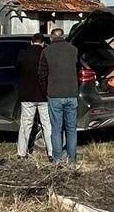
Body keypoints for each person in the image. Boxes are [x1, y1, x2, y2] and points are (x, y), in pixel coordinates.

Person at [39, 26, 81, 165]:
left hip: (54, 94)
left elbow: (42, 74)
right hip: (71, 93)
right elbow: (78, 71)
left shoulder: (46, 51)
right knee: (71, 129)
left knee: (56, 129)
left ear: (51, 38)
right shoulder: (74, 50)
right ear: (64, 36)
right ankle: (72, 160)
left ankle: (57, 160)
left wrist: (46, 91)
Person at [14, 32, 51, 158]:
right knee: (47, 124)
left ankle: (21, 152)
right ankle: (51, 153)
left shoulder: (23, 53)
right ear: (42, 43)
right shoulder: (46, 53)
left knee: (26, 124)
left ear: (31, 42)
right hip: (44, 95)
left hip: (27, 94)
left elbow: (17, 71)